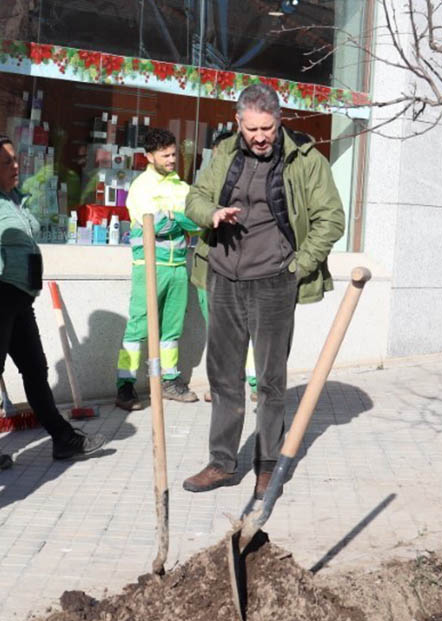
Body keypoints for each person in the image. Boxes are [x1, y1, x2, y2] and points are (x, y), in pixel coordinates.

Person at [182, 83, 344, 500]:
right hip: (222, 277)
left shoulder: (306, 160)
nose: (259, 137)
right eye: (251, 128)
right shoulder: (223, 153)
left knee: (270, 381)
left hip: (273, 282)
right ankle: (221, 462)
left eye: (267, 128)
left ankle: (267, 466)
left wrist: (297, 266)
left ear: (279, 121)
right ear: (238, 122)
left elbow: (331, 218)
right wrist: (212, 213)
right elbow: (195, 198)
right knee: (223, 377)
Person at [0, 134, 107, 469]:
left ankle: (63, 440)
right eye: (7, 161)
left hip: (19, 299)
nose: (16, 165)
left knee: (35, 369)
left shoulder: (14, 200)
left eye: (15, 159)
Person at [115, 127, 200, 411]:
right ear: (149, 156)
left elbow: (198, 222)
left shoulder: (181, 186)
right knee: (138, 326)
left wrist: (176, 217)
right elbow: (157, 224)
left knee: (172, 329)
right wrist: (180, 218)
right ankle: (125, 386)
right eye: (165, 155)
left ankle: (169, 381)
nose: (172, 159)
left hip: (177, 266)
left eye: (174, 154)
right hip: (148, 266)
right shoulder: (141, 187)